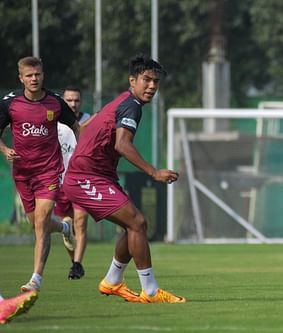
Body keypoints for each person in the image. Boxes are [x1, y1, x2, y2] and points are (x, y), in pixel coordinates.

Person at [62, 54, 186, 304]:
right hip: (85, 177)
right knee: (137, 222)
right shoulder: (131, 105)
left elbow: (88, 128)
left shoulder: (122, 100)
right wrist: (154, 172)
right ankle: (150, 291)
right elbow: (122, 144)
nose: (152, 86)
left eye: (156, 81)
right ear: (133, 80)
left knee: (134, 225)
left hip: (99, 175)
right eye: (146, 80)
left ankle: (112, 281)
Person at [0, 56, 79, 292]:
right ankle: (65, 228)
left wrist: (82, 154)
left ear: (43, 75)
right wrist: (5, 150)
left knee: (42, 222)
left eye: (38, 74)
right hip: (23, 174)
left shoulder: (55, 102)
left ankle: (36, 279)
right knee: (36, 223)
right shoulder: (9, 104)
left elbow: (75, 125)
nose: (34, 79)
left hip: (49, 171)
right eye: (29, 75)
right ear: (21, 78)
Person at [57, 86, 91, 280]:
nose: (73, 104)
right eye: (69, 100)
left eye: (76, 100)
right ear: (63, 101)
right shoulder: (55, 123)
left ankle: (77, 265)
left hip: (83, 180)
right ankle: (74, 262)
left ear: (81, 102)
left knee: (81, 222)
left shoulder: (88, 121)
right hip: (61, 182)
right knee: (67, 228)